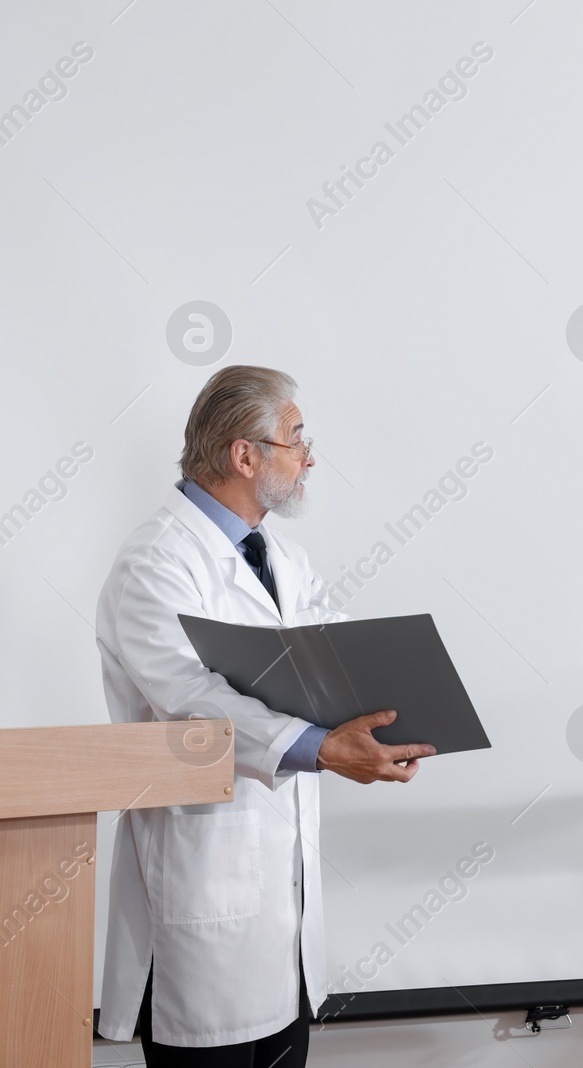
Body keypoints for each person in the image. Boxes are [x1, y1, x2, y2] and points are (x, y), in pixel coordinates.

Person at [95, 366, 436, 1066]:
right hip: (199, 901)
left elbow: (328, 657)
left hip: (281, 921)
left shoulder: (280, 556)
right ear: (244, 456)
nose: (310, 456)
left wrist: (403, 701)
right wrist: (320, 749)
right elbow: (194, 699)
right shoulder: (155, 563)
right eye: (296, 438)